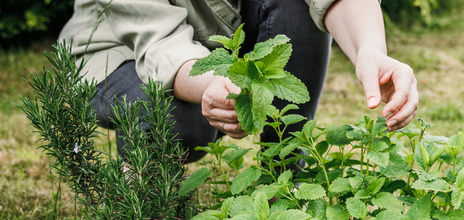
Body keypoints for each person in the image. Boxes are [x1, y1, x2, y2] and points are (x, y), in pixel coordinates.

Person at [58, 0, 419, 162]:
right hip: (116, 55)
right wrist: (218, 88)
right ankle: (144, 198)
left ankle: (285, 171)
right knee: (181, 121)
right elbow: (160, 45)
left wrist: (371, 50)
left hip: (216, 41)